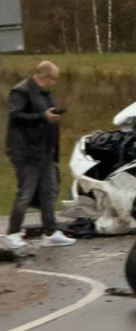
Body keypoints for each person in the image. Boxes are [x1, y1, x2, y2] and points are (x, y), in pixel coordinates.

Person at [4, 61, 75, 249]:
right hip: (26, 152)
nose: (55, 83)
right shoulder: (21, 91)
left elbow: (46, 113)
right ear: (45, 76)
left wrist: (52, 116)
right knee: (25, 193)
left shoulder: (45, 92)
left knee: (49, 190)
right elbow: (16, 116)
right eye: (54, 79)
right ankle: (12, 233)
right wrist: (43, 117)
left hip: (45, 150)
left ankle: (50, 232)